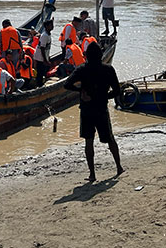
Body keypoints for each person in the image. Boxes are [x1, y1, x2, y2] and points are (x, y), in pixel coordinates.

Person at [64, 42, 124, 182]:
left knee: (89, 141)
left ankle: (92, 174)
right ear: (101, 55)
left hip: (86, 109)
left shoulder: (81, 69)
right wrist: (104, 96)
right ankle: (119, 167)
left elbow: (66, 84)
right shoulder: (108, 69)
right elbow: (117, 91)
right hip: (101, 108)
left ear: (86, 56)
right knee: (110, 138)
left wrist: (81, 91)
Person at [33, 20, 54, 88]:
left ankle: (41, 83)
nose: (52, 26)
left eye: (52, 25)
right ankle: (39, 85)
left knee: (42, 71)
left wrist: (47, 57)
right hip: (40, 57)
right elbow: (42, 48)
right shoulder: (44, 35)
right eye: (50, 25)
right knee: (40, 72)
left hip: (43, 56)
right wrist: (45, 60)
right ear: (46, 26)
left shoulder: (48, 34)